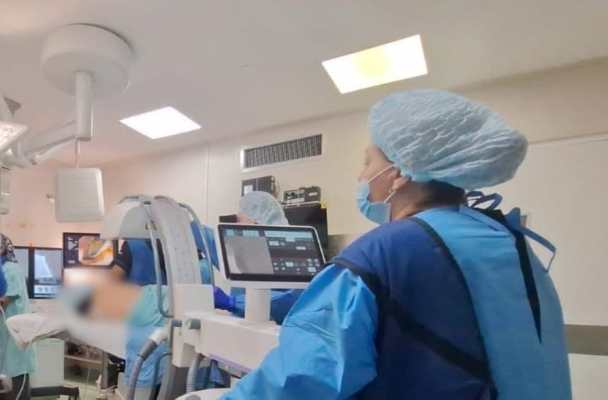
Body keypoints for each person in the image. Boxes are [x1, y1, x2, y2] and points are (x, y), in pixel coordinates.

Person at [220, 90, 571, 399]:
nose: (361, 176)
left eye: (368, 161)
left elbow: (299, 380)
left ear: (400, 172)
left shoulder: (383, 253)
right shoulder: (510, 241)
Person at [213, 191, 301, 324]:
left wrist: (233, 302)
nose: (236, 225)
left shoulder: (290, 251)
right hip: (244, 328)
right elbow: (214, 244)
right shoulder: (248, 249)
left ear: (256, 221)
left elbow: (291, 301)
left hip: (273, 331)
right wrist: (188, 224)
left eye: (240, 220)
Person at [0, 234, 35, 400]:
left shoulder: (10, 269)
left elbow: (3, 301)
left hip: (15, 338)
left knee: (17, 384)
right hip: (5, 338)